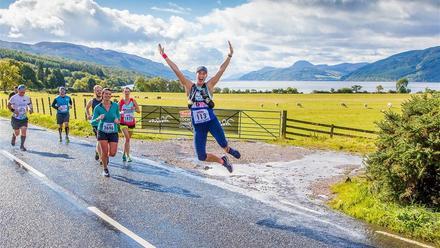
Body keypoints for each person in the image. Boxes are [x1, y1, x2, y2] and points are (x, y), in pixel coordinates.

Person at [158, 41, 241, 173]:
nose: (202, 76)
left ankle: (229, 150)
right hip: (198, 126)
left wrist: (229, 56)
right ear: (196, 74)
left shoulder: (209, 86)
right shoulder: (189, 86)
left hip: (211, 122)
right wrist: (164, 55)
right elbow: (176, 70)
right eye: (199, 73)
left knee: (223, 144)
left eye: (204, 74)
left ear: (206, 75)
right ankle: (223, 161)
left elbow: (221, 70)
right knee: (201, 156)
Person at [90, 88, 120, 177]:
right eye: (106, 94)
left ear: (111, 95)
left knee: (112, 153)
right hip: (102, 131)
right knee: (104, 151)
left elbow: (118, 117)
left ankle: (104, 157)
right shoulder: (98, 107)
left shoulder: (115, 106)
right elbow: (93, 121)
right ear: (102, 95)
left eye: (109, 94)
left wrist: (117, 120)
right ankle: (105, 169)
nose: (107, 95)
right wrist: (98, 118)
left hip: (113, 131)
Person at [7, 85, 33, 151]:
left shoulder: (27, 97)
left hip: (24, 118)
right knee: (17, 133)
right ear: (18, 90)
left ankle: (22, 146)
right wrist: (13, 110)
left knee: (24, 131)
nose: (22, 93)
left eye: (24, 92)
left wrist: (30, 109)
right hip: (15, 119)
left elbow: (29, 104)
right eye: (21, 92)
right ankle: (14, 136)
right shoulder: (14, 97)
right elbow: (8, 105)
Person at [119, 87, 140, 162]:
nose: (127, 93)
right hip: (123, 122)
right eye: (125, 92)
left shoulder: (133, 100)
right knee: (127, 138)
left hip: (131, 122)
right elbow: (117, 111)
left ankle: (124, 154)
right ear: (123, 92)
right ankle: (128, 156)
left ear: (130, 92)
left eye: (128, 91)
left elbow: (138, 111)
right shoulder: (121, 101)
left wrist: (134, 108)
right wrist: (120, 113)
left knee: (127, 140)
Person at [86, 85, 103, 161]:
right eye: (97, 90)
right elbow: (87, 108)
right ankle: (101, 157)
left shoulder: (105, 100)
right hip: (96, 123)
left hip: (104, 122)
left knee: (104, 140)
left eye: (100, 90)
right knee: (99, 139)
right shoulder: (92, 101)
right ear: (94, 92)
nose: (99, 92)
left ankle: (97, 151)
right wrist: (88, 115)